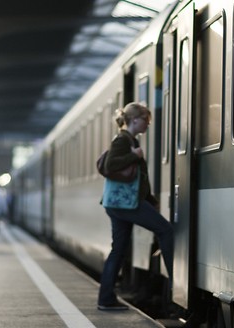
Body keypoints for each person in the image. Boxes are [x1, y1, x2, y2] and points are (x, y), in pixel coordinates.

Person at [98, 102, 174, 311]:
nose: (148, 124)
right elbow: (111, 165)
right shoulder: (123, 139)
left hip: (119, 204)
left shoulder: (129, 139)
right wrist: (135, 155)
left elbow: (137, 178)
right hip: (126, 204)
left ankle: (106, 299)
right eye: (145, 120)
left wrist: (150, 200)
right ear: (134, 120)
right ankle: (177, 280)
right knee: (165, 230)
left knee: (118, 250)